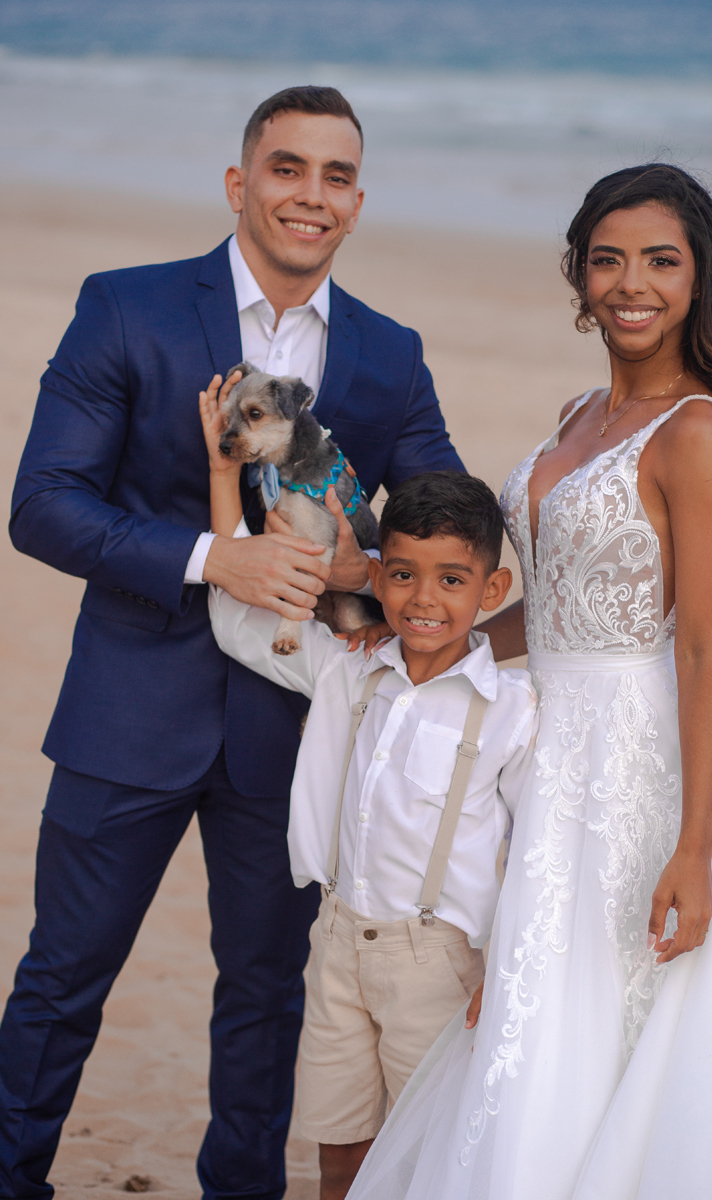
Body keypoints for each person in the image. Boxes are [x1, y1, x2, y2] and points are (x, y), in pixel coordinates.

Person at [0, 86, 462, 1200]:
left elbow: (442, 521)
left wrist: (360, 571)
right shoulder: (128, 308)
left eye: (336, 176)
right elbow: (43, 505)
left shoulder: (390, 354)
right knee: (62, 979)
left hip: (290, 728)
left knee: (264, 999)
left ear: (357, 203)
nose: (311, 194)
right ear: (238, 183)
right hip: (129, 709)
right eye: (287, 167)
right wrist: (216, 559)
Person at [345, 164, 712, 1200]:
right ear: (578, 277)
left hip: (640, 764)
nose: (630, 284)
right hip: (547, 755)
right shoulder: (577, 412)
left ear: (698, 278)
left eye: (659, 261)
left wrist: (694, 846)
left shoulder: (699, 435)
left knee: (623, 1009)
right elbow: (551, 612)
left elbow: (703, 644)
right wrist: (430, 643)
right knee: (535, 1006)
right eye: (607, 260)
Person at [200, 429, 538, 1200]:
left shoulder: (514, 711)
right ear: (376, 577)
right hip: (337, 941)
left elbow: (535, 851)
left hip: (439, 961)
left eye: (452, 580)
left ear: (492, 590)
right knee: (340, 1147)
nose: (424, 599)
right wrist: (224, 478)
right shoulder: (344, 669)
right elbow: (230, 616)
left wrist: (507, 969)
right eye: (404, 575)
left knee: (427, 1154)